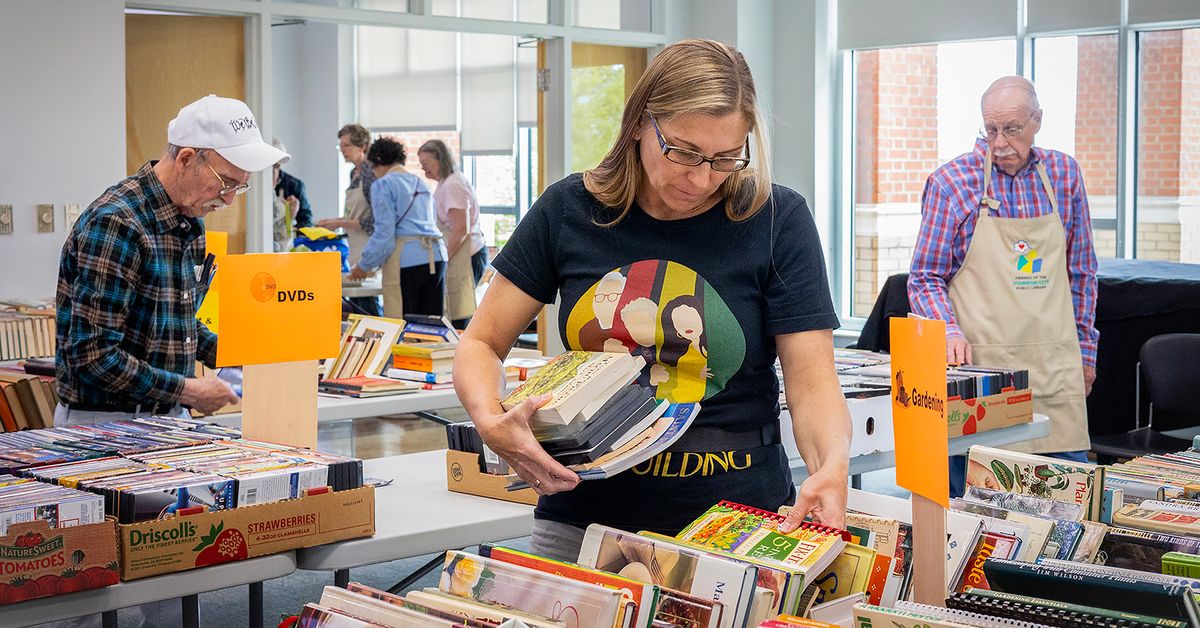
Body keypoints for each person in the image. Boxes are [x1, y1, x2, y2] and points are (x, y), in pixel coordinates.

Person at [453, 39, 852, 561]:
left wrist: (832, 465)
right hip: (584, 515)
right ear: (641, 121)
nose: (701, 178)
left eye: (726, 158)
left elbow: (813, 383)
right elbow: (481, 342)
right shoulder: (569, 210)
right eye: (683, 152)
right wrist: (489, 418)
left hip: (737, 522)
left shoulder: (778, 220)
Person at [54, 94, 284, 627]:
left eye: (240, 187)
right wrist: (188, 390)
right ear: (186, 158)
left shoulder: (188, 223)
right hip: (103, 433)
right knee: (107, 602)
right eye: (225, 182)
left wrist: (244, 350)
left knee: (178, 582)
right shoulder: (117, 224)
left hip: (166, 431)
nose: (229, 197)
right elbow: (91, 356)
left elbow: (175, 323)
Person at [908, 76, 1099, 496]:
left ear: (1037, 121)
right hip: (982, 381)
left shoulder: (1064, 175)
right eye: (990, 129)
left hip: (1054, 375)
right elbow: (924, 277)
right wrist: (949, 330)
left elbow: (1082, 273)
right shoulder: (952, 183)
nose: (999, 143)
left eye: (1012, 129)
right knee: (978, 519)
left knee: (1067, 512)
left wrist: (1086, 353)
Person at [348, 137, 447, 318]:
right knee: (431, 325)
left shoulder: (383, 184)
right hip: (437, 257)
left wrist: (363, 265)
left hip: (408, 261)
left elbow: (384, 235)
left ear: (378, 161)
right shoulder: (420, 182)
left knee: (405, 325)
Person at [418, 139, 488, 329]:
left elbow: (460, 229)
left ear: (440, 159)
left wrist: (444, 259)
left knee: (460, 313)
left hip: (466, 255)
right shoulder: (447, 182)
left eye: (426, 164)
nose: (424, 170)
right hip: (462, 251)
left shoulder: (452, 185)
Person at [320, 123, 381, 316]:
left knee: (367, 305)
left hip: (370, 246)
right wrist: (334, 221)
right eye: (341, 146)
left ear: (362, 146)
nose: (343, 150)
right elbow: (354, 214)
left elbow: (375, 221)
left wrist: (340, 223)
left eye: (347, 145)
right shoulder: (353, 174)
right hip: (356, 246)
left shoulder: (371, 174)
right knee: (359, 304)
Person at [272, 138, 312, 229]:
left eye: (275, 165)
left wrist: (290, 219)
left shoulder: (295, 185)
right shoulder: (256, 188)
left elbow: (307, 222)